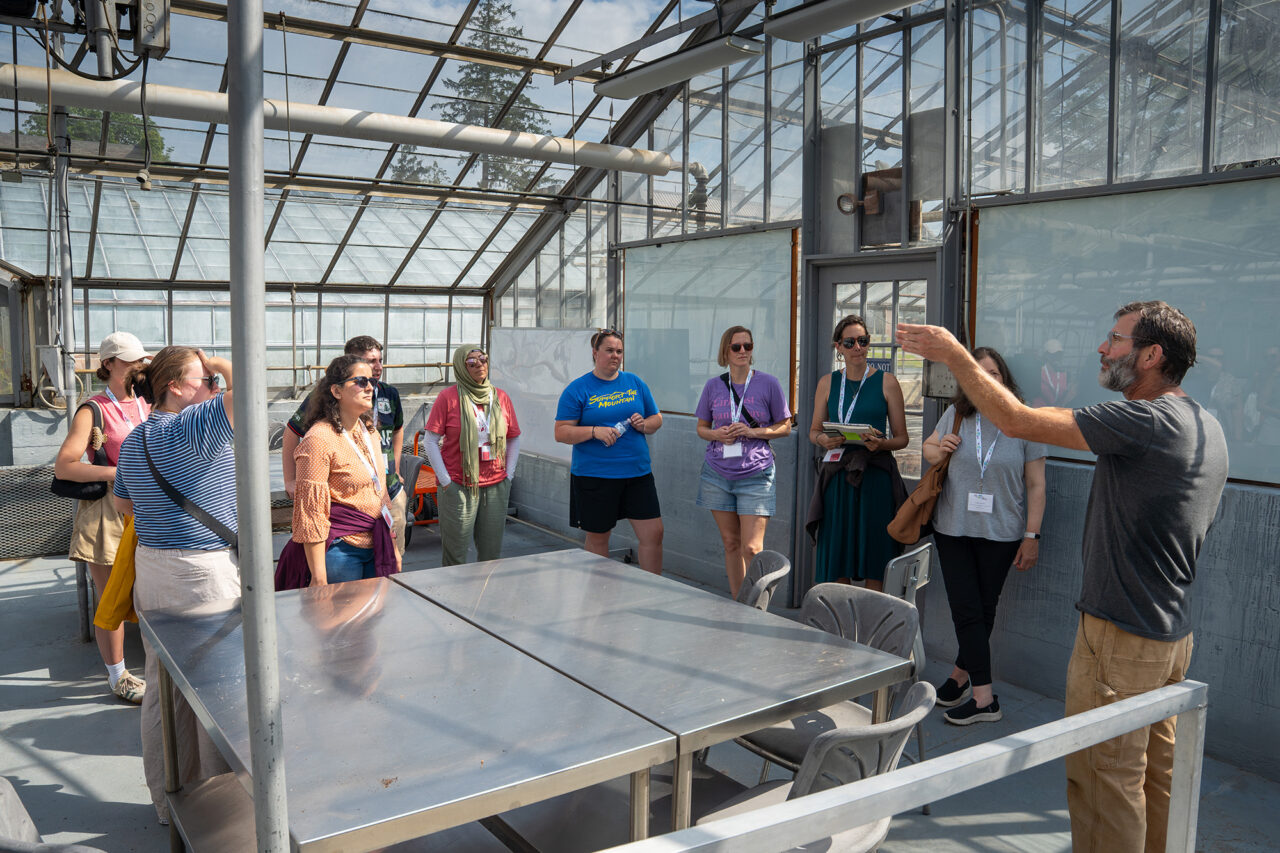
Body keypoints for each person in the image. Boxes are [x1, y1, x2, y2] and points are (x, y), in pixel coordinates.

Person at [898, 301, 1228, 853]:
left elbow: (1017, 421)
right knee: (1154, 775)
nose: (1102, 348)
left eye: (1116, 340)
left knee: (1105, 778)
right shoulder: (1204, 424)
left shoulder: (1144, 421)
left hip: (1120, 636)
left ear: (1151, 355)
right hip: (1170, 633)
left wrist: (956, 358)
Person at [112, 346, 238, 826]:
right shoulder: (192, 425)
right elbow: (250, 384)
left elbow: (125, 505)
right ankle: (220, 808)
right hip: (202, 573)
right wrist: (222, 362)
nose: (212, 386)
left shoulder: (139, 436)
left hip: (154, 569)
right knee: (215, 688)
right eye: (203, 378)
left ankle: (170, 804)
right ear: (174, 386)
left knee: (163, 689)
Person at [922, 347, 1046, 726]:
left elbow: (1037, 485)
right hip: (953, 529)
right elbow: (927, 448)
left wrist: (1032, 536)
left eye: (994, 373)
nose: (988, 380)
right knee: (966, 608)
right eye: (979, 375)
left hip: (1002, 533)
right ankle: (981, 696)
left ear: (1004, 378)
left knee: (982, 608)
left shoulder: (1027, 421)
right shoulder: (957, 413)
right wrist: (938, 449)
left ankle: (966, 683)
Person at [54, 331, 152, 704]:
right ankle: (118, 675)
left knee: (149, 589)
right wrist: (118, 473)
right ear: (108, 364)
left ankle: (153, 665)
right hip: (108, 513)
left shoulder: (146, 401)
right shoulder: (93, 409)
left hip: (145, 508)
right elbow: (65, 466)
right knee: (112, 593)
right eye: (129, 361)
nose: (137, 368)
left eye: (140, 361)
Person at [806, 315, 909, 590]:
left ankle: (869, 626)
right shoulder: (827, 383)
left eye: (862, 341)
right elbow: (813, 431)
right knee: (839, 555)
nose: (857, 348)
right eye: (850, 342)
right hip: (838, 476)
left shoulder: (887, 382)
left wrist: (881, 444)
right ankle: (841, 627)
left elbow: (902, 438)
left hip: (875, 476)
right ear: (838, 347)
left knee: (874, 555)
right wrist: (823, 441)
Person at [282, 336, 406, 556]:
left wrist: (394, 469)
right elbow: (292, 432)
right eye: (369, 362)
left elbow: (397, 429)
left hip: (387, 492)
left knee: (392, 560)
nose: (377, 368)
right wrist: (290, 479)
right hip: (349, 509)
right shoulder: (321, 425)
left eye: (379, 360)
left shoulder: (388, 395)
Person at [554, 329, 664, 575]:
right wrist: (594, 431)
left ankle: (654, 589)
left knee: (654, 533)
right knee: (599, 537)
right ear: (595, 353)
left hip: (637, 473)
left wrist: (645, 425)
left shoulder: (635, 383)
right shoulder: (578, 389)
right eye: (609, 350)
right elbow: (561, 432)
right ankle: (600, 596)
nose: (615, 356)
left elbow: (657, 417)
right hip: (595, 476)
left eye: (619, 351)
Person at [694, 326, 792, 597]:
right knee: (730, 543)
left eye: (747, 346)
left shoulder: (768, 383)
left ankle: (757, 606)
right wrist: (716, 434)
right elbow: (701, 428)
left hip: (756, 472)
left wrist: (752, 431)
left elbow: (785, 426)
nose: (743, 352)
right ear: (726, 351)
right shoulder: (713, 385)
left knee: (752, 548)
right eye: (736, 347)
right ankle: (739, 603)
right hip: (717, 473)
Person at [421, 345, 522, 566]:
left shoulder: (500, 397)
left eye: (483, 359)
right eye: (472, 362)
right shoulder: (448, 397)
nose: (480, 365)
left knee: (491, 556)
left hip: (495, 485)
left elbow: (513, 436)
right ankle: (453, 598)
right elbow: (429, 441)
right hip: (459, 485)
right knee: (455, 555)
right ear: (460, 366)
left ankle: (484, 598)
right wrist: (446, 481)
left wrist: (509, 475)